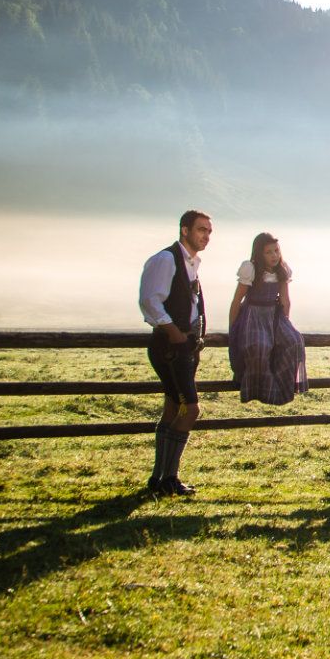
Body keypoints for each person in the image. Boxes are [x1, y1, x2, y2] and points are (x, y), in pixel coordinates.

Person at [138, 209, 210, 495]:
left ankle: (159, 478)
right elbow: (150, 300)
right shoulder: (166, 259)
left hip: (182, 346)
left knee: (171, 407)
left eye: (208, 231)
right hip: (170, 347)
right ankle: (169, 477)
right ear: (184, 230)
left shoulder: (191, 263)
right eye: (201, 230)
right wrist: (175, 333)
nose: (206, 236)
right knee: (190, 409)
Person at [228, 231, 309, 405]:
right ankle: (258, 391)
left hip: (274, 316)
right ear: (259, 253)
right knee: (259, 346)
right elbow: (237, 300)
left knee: (294, 341)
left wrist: (284, 324)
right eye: (269, 252)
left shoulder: (283, 270)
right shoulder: (250, 269)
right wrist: (233, 327)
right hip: (253, 316)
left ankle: (282, 388)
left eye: (276, 251)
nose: (274, 255)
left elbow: (286, 301)